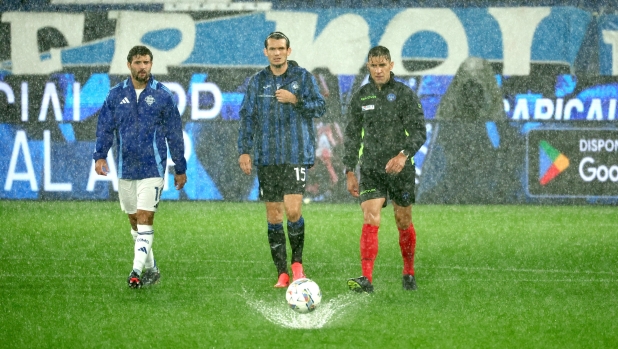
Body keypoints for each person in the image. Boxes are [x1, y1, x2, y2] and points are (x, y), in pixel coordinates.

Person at [93, 45, 187, 289]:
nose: (142, 67)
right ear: (129, 65)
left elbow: (174, 134)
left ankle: (135, 272)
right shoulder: (115, 95)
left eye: (146, 62)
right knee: (135, 222)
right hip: (125, 169)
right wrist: (100, 155)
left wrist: (180, 166)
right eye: (138, 62)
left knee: (146, 219)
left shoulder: (163, 95)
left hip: (152, 168)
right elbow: (105, 127)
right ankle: (152, 269)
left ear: (151, 64)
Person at [238, 31, 326, 288]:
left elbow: (320, 107)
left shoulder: (303, 78)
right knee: (274, 215)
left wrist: (295, 100)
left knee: (293, 210)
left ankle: (297, 264)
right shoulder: (257, 82)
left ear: (289, 51)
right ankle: (282, 272)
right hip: (267, 157)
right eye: (272, 49)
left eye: (281, 48)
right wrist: (245, 150)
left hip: (295, 154)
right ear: (265, 52)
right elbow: (248, 118)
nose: (277, 52)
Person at [343, 46, 426, 292]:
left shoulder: (404, 95)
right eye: (373, 65)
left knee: (403, 220)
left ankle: (408, 272)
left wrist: (403, 155)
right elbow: (351, 136)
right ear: (368, 66)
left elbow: (420, 131)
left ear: (391, 65)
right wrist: (349, 170)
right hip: (370, 168)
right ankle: (366, 279)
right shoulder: (361, 97)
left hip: (400, 170)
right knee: (370, 216)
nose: (378, 70)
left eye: (382, 65)